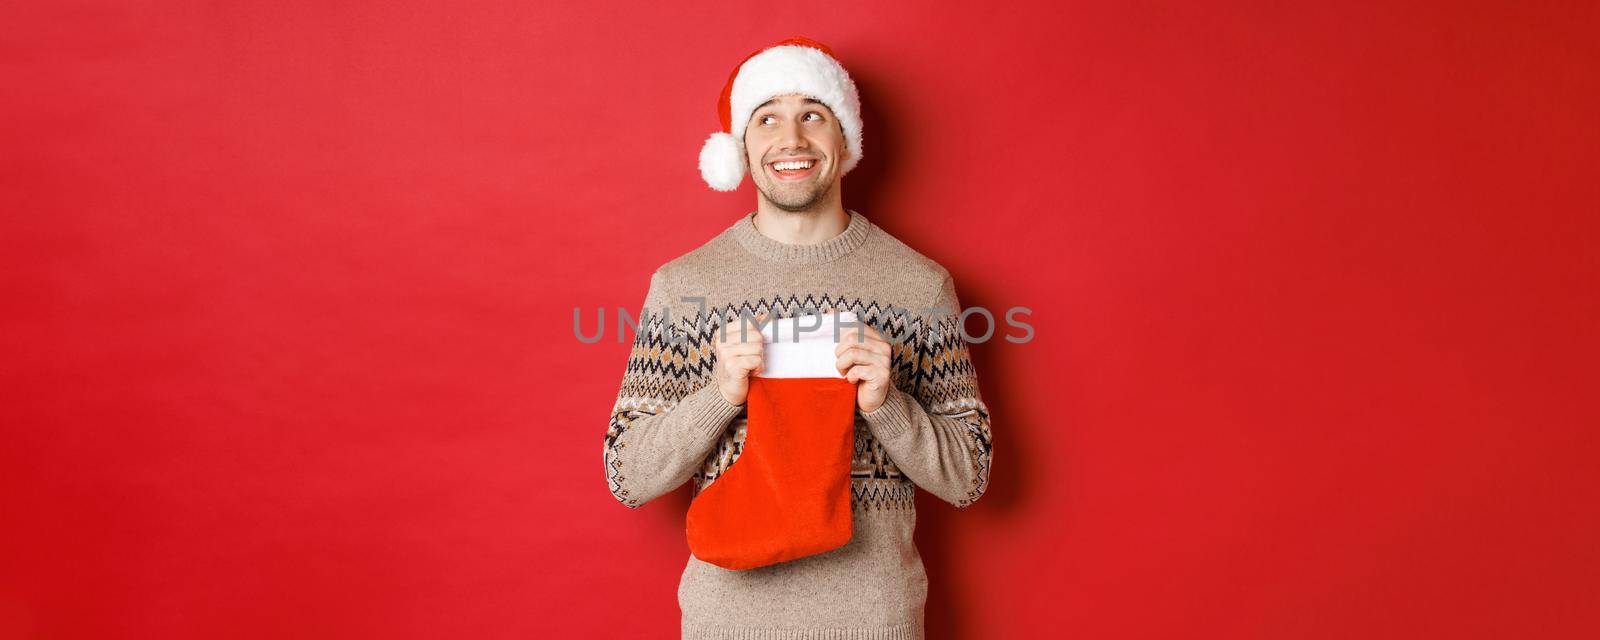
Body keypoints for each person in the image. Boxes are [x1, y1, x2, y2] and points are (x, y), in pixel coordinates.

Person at [601, 35, 994, 639]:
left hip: (874, 618)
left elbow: (969, 478)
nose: (792, 140)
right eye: (768, 119)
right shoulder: (684, 286)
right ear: (742, 147)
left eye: (813, 115)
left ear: (844, 140)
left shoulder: (918, 285)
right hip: (728, 621)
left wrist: (888, 406)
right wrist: (718, 396)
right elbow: (628, 476)